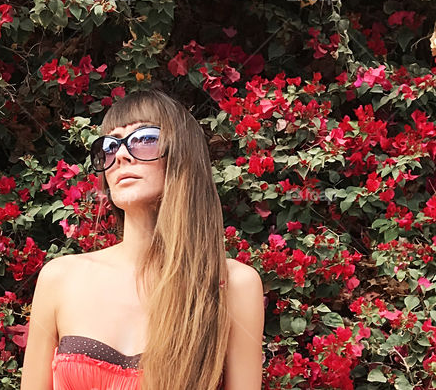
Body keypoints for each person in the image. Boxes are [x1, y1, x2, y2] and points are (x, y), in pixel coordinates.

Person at [20, 87, 265, 390]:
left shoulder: (232, 284)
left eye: (144, 139)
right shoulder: (60, 278)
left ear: (182, 153)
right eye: (109, 147)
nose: (120, 155)